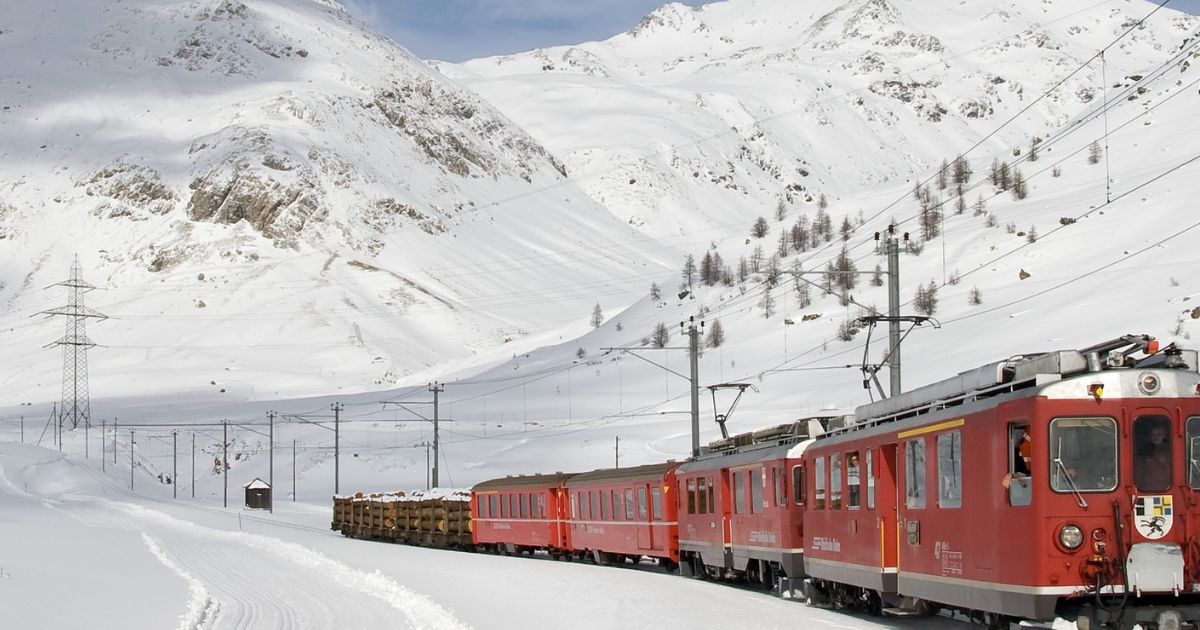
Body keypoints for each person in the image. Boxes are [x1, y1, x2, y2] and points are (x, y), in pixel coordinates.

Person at [1135, 422, 1172, 492]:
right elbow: (1138, 471)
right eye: (1153, 434)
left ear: (1165, 435)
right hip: (1146, 489)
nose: (1156, 437)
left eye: (1159, 434)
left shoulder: (1172, 450)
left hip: (1167, 489)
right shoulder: (1143, 451)